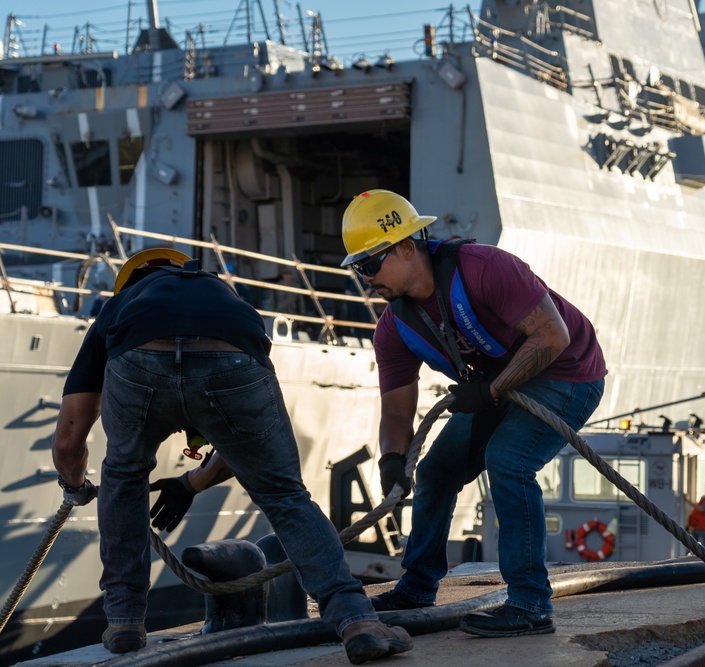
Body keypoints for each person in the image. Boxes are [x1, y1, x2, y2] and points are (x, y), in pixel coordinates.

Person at [50, 247, 411, 664]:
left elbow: (68, 440)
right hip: (232, 355)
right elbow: (247, 445)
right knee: (284, 494)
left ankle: (125, 622)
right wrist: (192, 483)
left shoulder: (119, 309)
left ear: (129, 282)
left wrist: (75, 488)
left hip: (138, 359)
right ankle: (356, 621)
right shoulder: (227, 299)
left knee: (124, 475)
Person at [339, 190, 606, 638]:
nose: (366, 279)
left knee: (509, 461)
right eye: (358, 269)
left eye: (370, 264)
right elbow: (398, 408)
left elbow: (552, 336)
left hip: (567, 373)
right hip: (493, 388)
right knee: (436, 471)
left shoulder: (486, 268)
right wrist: (392, 460)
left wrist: (492, 390)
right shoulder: (394, 328)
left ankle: (530, 604)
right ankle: (418, 586)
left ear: (407, 247)